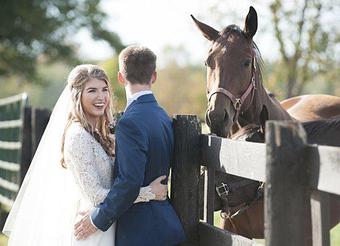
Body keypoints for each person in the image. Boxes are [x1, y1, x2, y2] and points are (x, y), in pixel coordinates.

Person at [3, 64, 168, 245]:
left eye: (104, 90)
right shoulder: (78, 137)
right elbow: (96, 196)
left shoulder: (103, 132)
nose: (101, 97)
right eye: (92, 91)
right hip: (91, 232)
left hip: (108, 224)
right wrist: (148, 192)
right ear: (77, 96)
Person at [74, 45, 186, 246]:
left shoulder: (129, 122)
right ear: (154, 76)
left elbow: (129, 183)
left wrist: (95, 220)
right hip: (165, 223)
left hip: (140, 232)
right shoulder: (163, 117)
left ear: (120, 77)